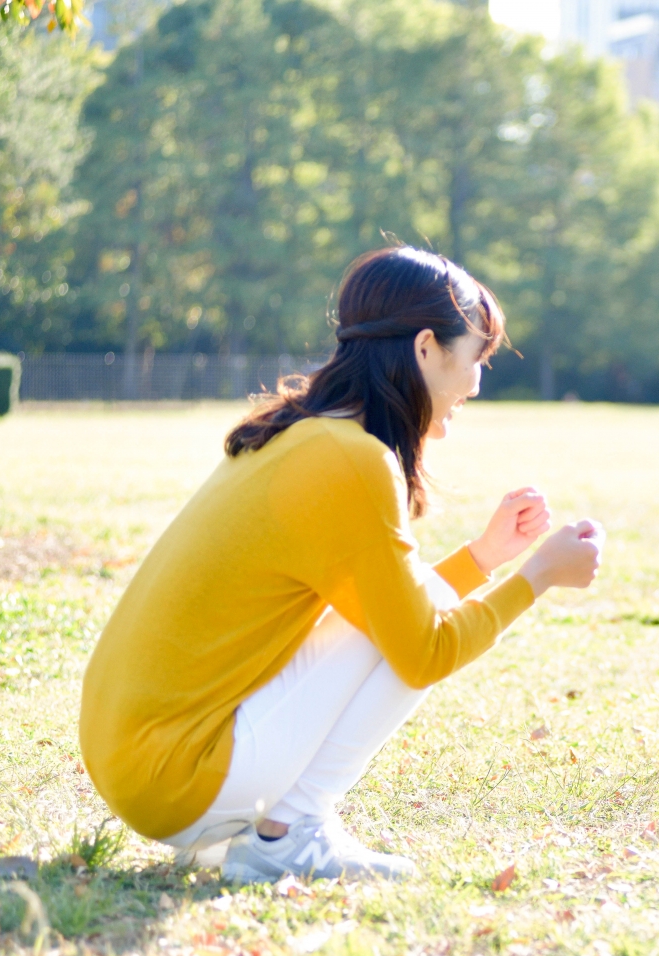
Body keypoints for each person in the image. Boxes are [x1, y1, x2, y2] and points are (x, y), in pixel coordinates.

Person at [78, 246, 604, 884]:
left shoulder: (299, 431)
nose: (476, 383)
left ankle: (282, 830)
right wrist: (538, 576)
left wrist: (483, 558)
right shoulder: (353, 460)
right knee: (406, 635)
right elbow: (421, 652)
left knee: (395, 622)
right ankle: (287, 834)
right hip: (180, 779)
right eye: (476, 358)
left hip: (140, 765)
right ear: (427, 348)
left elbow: (381, 607)